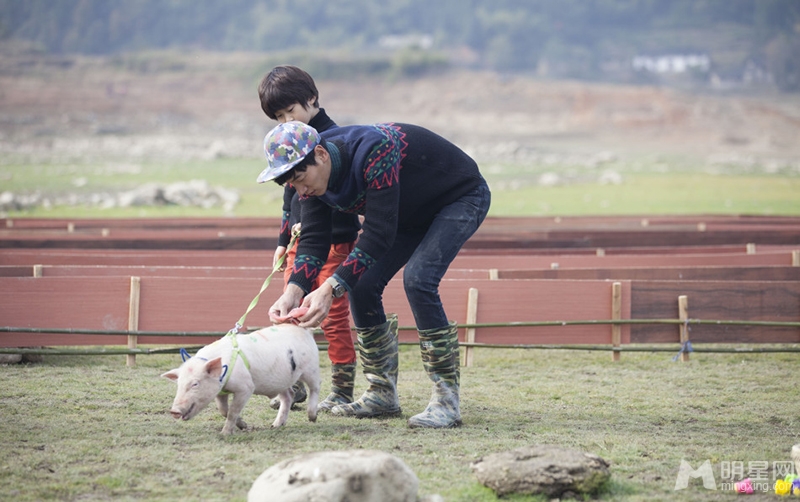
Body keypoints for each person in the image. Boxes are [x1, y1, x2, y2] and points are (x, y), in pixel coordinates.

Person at [257, 121, 491, 429]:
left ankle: (446, 401)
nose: (301, 191)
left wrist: (330, 288)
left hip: (459, 198)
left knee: (419, 279)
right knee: (363, 284)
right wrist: (292, 292)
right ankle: (382, 393)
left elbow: (378, 233)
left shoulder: (375, 149)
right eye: (293, 185)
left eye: (300, 179)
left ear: (321, 155)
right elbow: (313, 240)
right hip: (407, 215)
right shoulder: (313, 180)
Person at [257, 65, 361, 412]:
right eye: (278, 117)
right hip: (300, 244)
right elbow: (290, 195)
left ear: (312, 99)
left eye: (290, 111)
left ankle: (342, 388)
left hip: (334, 242)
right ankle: (291, 383)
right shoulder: (287, 141)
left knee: (331, 317)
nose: (286, 122)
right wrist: (283, 239)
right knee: (290, 313)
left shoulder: (332, 139)